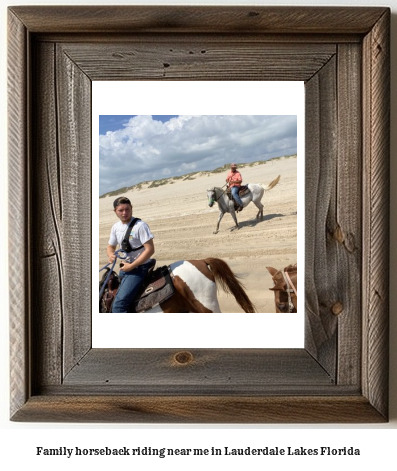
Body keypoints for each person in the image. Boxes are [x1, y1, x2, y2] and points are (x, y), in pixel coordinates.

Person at [107, 196, 155, 313]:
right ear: (115, 211)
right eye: (121, 210)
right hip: (125, 268)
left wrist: (132, 266)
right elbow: (110, 246)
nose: (124, 213)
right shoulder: (116, 227)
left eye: (127, 209)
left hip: (139, 268)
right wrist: (110, 254)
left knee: (118, 306)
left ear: (131, 208)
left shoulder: (140, 226)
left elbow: (150, 250)